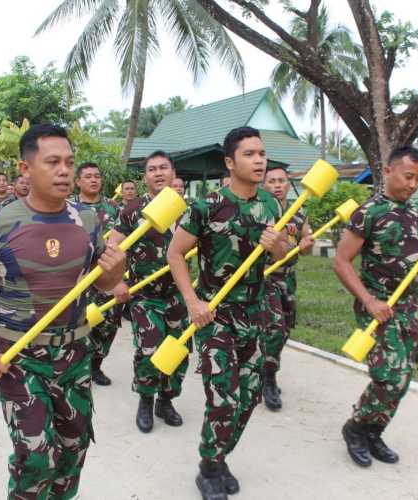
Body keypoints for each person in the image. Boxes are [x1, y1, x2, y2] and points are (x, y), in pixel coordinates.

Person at [0, 124, 126, 499]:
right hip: (19, 358)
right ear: (26, 169)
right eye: (53, 162)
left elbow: (103, 284)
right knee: (34, 456)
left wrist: (116, 271)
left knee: (73, 449)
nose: (64, 170)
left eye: (69, 162)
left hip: (76, 354)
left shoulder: (89, 221)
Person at [167, 127, 288, 499]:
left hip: (256, 312)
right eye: (250, 154)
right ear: (229, 162)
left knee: (249, 396)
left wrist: (277, 244)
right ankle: (209, 464)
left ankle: (219, 457)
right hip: (215, 314)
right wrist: (192, 302)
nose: (259, 160)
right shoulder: (206, 206)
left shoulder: (271, 204)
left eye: (262, 154)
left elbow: (282, 257)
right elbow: (175, 254)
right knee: (223, 396)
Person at [334, 146, 418, 468]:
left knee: (404, 377)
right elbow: (341, 261)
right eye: (408, 176)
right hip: (378, 305)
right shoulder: (369, 212)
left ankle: (374, 430)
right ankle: (356, 427)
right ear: (388, 171)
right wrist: (369, 301)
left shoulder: (415, 213)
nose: (413, 184)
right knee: (388, 376)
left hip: (408, 305)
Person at [110, 151, 188, 434]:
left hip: (179, 295)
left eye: (163, 168)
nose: (158, 173)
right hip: (145, 294)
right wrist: (117, 282)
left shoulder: (189, 210)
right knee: (149, 348)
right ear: (145, 177)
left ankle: (166, 401)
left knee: (177, 351)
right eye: (152, 169)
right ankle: (146, 399)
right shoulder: (132, 209)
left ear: (173, 173)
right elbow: (113, 248)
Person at [260, 166, 314, 410]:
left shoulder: (299, 211)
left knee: (284, 330)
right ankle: (268, 379)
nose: (278, 185)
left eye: (282, 180)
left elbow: (308, 243)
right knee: (275, 329)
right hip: (265, 278)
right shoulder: (259, 212)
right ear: (264, 185)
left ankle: (264, 368)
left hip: (288, 279)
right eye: (272, 181)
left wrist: (306, 244)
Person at [76, 162, 123, 386]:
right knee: (78, 324)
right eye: (88, 176)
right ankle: (78, 366)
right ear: (78, 181)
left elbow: (124, 244)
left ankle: (96, 365)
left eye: (97, 176)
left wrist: (120, 278)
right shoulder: (68, 208)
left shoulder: (114, 207)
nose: (94, 180)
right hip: (78, 279)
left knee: (107, 324)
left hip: (107, 277)